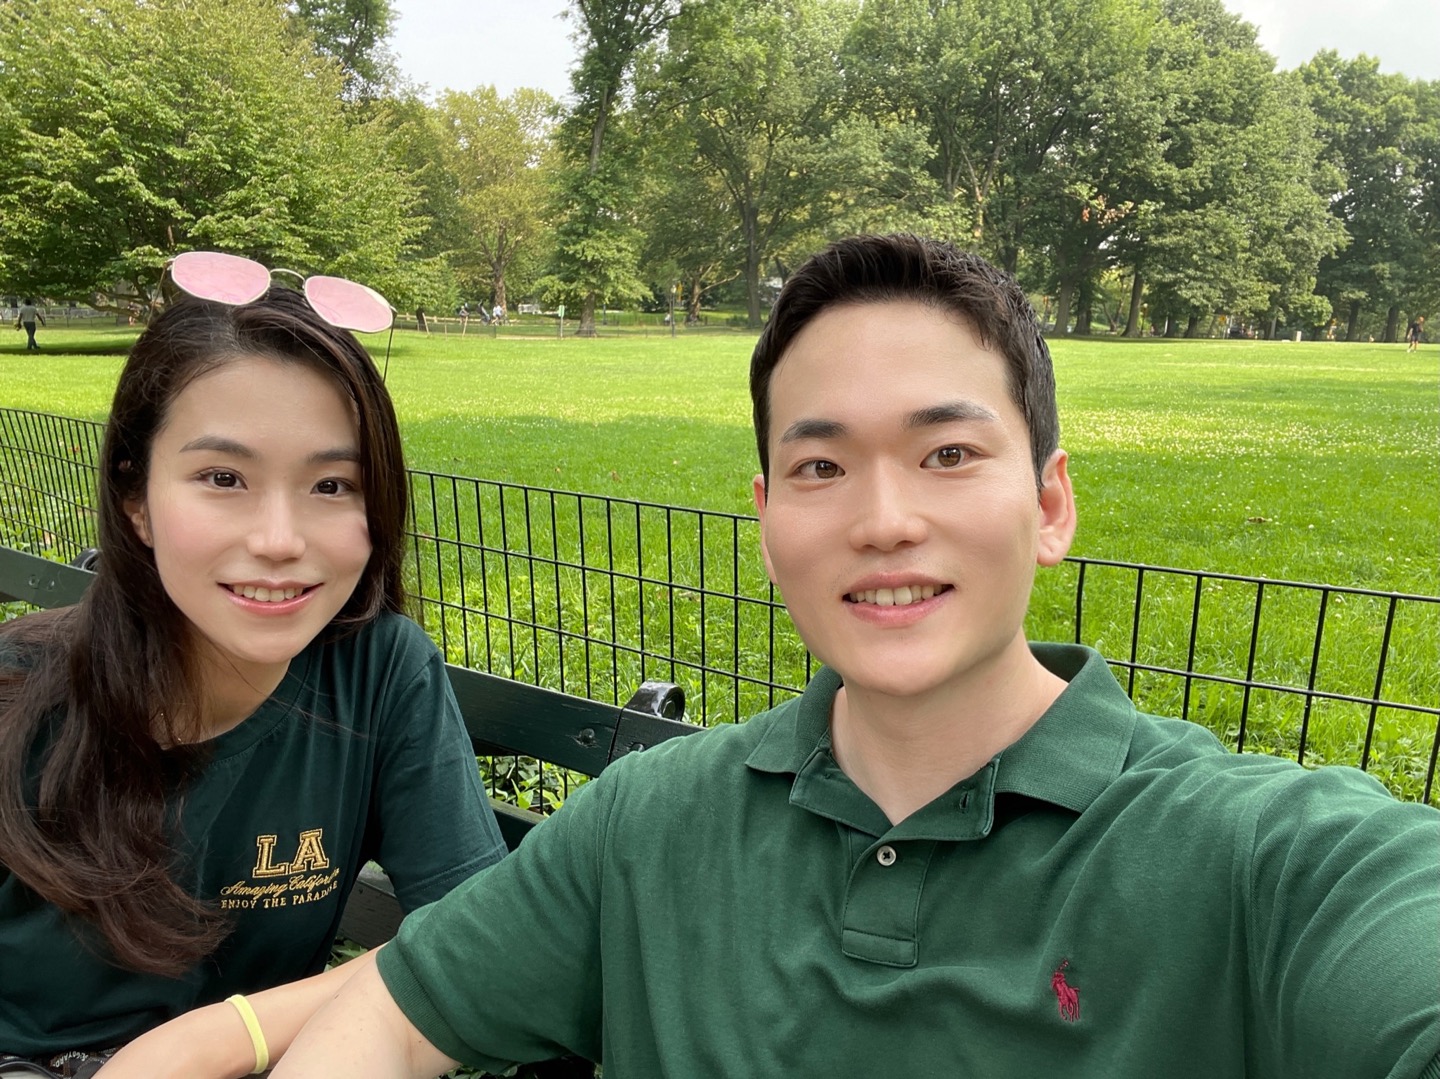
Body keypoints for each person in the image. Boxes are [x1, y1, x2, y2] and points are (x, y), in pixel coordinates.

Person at [270, 235, 1440, 1079]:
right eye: (823, 467)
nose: (882, 518)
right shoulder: (650, 823)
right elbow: (397, 1010)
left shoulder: (1267, 863)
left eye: (946, 452)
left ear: (1050, 502)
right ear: (769, 514)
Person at [0, 270, 505, 1079]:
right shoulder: (18, 689)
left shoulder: (379, 672)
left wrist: (209, 1040)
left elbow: (484, 938)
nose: (279, 538)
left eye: (331, 485)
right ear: (135, 497)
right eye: (223, 478)